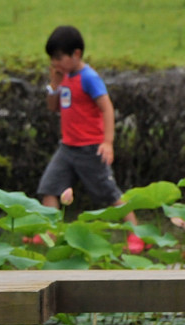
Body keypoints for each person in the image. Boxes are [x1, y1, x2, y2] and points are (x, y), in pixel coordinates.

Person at [37, 25, 144, 253]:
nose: (55, 63)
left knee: (110, 193)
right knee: (49, 187)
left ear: (76, 54)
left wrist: (107, 142)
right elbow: (52, 107)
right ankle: (49, 233)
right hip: (67, 147)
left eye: (58, 58)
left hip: (89, 148)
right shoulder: (63, 78)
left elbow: (106, 108)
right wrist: (53, 86)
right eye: (52, 59)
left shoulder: (89, 78)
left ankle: (136, 234)